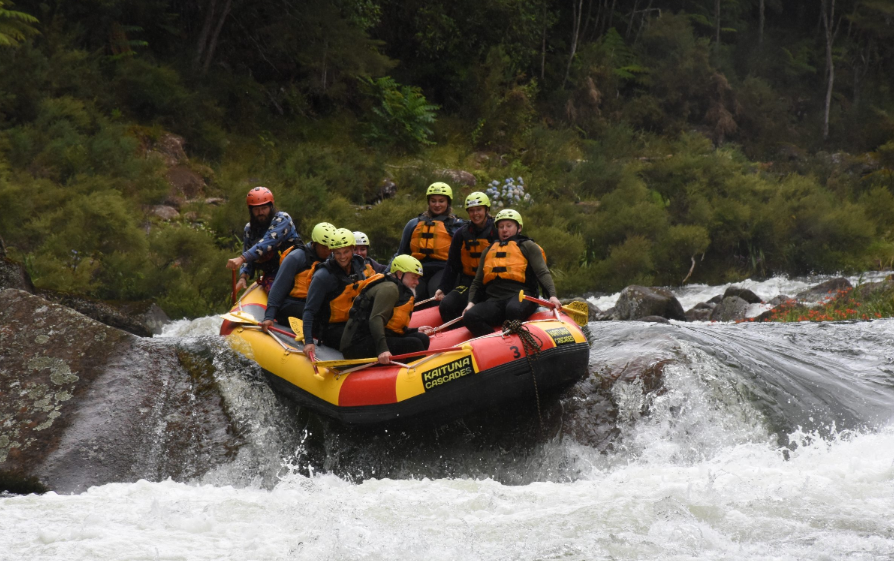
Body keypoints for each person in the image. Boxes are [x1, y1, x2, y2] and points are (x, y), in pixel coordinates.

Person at [462, 209, 561, 338]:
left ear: (518, 228)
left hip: (522, 296)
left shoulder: (528, 246)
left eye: (509, 226)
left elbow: (542, 272)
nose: (504, 230)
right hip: (495, 300)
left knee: (513, 309)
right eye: (501, 226)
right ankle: (495, 341)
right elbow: (477, 282)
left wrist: (552, 296)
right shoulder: (488, 250)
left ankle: (512, 337)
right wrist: (471, 304)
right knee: (470, 316)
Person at [340, 255, 431, 364]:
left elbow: (389, 324)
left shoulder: (396, 286)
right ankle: (413, 377)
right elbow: (376, 319)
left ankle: (400, 370)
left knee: (422, 338)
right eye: (414, 277)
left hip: (370, 338)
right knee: (414, 344)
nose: (417, 282)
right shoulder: (390, 289)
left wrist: (414, 330)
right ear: (400, 274)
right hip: (355, 346)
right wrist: (382, 349)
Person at [302, 228, 374, 356]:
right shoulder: (323, 276)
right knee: (366, 342)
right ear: (332, 252)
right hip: (330, 330)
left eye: (346, 252)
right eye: (338, 253)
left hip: (352, 323)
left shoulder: (358, 269)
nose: (342, 257)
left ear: (352, 249)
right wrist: (308, 341)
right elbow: (309, 311)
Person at [434, 191, 499, 322]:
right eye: (472, 211)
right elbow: (452, 264)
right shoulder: (461, 233)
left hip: (493, 283)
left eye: (479, 210)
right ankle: (457, 335)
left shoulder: (497, 230)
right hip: (469, 282)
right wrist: (443, 287)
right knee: (446, 305)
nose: (475, 214)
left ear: (486, 210)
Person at [260, 223, 336, 331]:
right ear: (315, 244)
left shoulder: (333, 259)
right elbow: (278, 288)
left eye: (331, 247)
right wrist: (269, 317)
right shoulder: (296, 257)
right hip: (290, 305)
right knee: (319, 315)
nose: (328, 251)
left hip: (312, 304)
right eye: (324, 247)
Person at [395, 182, 464, 300]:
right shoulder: (413, 224)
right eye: (433, 201)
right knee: (411, 294)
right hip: (417, 269)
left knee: (435, 290)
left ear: (448, 202)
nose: (437, 204)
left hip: (444, 269)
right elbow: (401, 253)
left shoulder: (457, 225)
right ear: (428, 202)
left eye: (441, 201)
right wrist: (387, 273)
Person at [226, 186, 301, 292]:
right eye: (256, 210)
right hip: (273, 273)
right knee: (272, 292)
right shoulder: (250, 229)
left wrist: (241, 258)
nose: (260, 212)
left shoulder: (283, 219)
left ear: (271, 207)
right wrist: (243, 277)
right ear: (251, 211)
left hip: (294, 270)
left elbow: (268, 242)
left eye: (264, 208)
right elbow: (248, 251)